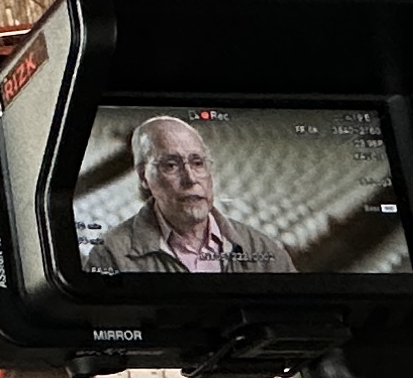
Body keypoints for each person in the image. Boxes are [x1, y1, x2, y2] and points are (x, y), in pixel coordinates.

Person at [85, 113, 296, 274]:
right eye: (170, 165)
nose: (190, 178)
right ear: (144, 177)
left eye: (198, 163)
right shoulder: (112, 255)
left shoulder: (263, 250)